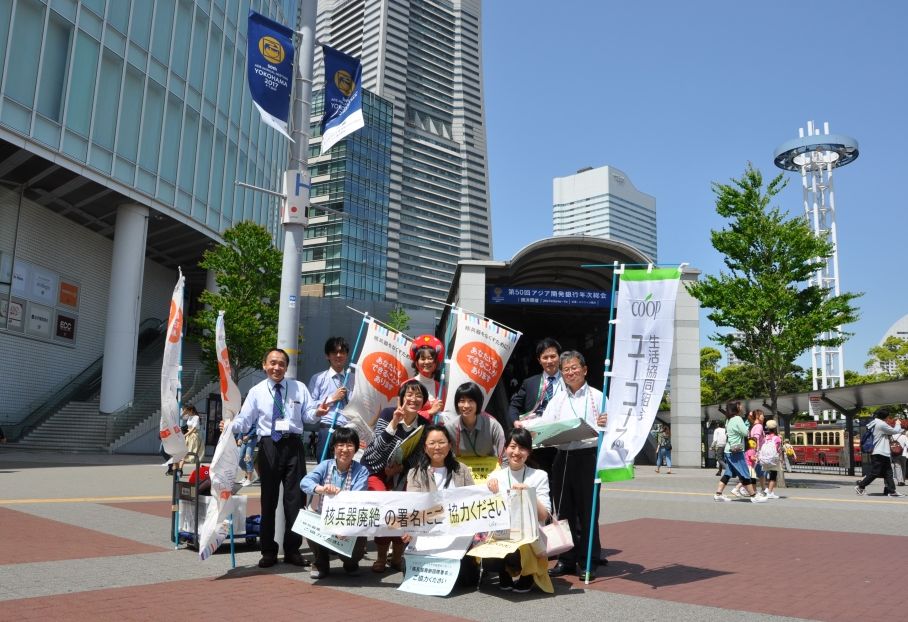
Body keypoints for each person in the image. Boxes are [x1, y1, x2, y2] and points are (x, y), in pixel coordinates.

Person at [224, 348, 328, 568]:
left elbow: (308, 415)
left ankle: (292, 550)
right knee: (268, 501)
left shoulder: (298, 388)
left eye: (281, 364)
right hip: (269, 445)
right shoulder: (256, 391)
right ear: (264, 365)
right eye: (272, 363)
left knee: (295, 501)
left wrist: (319, 412)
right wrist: (230, 426)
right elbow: (245, 419)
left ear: (286, 367)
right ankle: (268, 551)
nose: (277, 367)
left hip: (294, 445)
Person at [530, 350, 607, 580]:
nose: (571, 372)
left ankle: (588, 561)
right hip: (562, 457)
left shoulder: (598, 396)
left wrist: (606, 422)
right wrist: (527, 425)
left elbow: (613, 426)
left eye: (575, 368)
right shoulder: (558, 399)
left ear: (585, 370)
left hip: (588, 456)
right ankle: (566, 558)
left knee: (587, 510)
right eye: (566, 370)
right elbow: (546, 423)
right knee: (563, 510)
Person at [361, 379, 430, 572]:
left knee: (404, 509)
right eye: (409, 394)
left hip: (403, 473)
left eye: (419, 396)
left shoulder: (424, 424)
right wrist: (393, 423)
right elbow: (376, 449)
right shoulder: (387, 414)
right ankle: (381, 557)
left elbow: (419, 456)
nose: (414, 399)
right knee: (385, 504)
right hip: (377, 470)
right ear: (401, 398)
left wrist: (401, 469)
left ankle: (398, 557)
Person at [405, 424, 478, 586]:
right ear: (425, 447)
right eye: (432, 443)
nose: (437, 447)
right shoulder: (415, 473)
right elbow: (413, 506)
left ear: (450, 445)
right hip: (427, 533)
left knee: (465, 580)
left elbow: (473, 501)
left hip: (457, 533)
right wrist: (409, 529)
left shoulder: (462, 470)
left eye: (442, 442)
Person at [485, 428, 554, 594]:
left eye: (522, 448)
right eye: (512, 446)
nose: (516, 452)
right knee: (488, 542)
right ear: (505, 449)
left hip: (531, 536)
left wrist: (528, 493)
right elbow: (487, 513)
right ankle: (504, 572)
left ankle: (527, 575)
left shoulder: (539, 475)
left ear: (529, 452)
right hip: (503, 532)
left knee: (523, 539)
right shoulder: (495, 476)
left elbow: (544, 515)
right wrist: (488, 492)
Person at [299, 427, 369, 579]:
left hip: (350, 519)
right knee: (308, 521)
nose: (345, 449)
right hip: (326, 516)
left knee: (358, 539)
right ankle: (320, 562)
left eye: (350, 445)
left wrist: (343, 526)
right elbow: (305, 482)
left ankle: (350, 562)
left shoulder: (361, 470)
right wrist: (321, 488)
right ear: (334, 447)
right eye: (340, 445)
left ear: (356, 448)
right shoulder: (326, 465)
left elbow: (356, 498)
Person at [507, 337, 563, 475]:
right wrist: (516, 421)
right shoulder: (530, 383)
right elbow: (514, 405)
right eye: (545, 357)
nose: (549, 361)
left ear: (559, 358)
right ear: (539, 360)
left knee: (559, 481)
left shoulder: (568, 381)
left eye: (553, 356)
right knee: (537, 480)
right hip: (535, 440)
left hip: (560, 439)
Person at [308, 337, 355, 462]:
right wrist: (332, 398)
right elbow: (311, 405)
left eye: (342, 352)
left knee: (347, 467)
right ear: (327, 356)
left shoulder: (354, 379)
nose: (338, 355)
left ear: (346, 355)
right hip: (327, 428)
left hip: (348, 428)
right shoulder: (318, 378)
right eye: (334, 352)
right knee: (324, 466)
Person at [714, 400, 767, 503]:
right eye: (740, 405)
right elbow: (745, 432)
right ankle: (754, 495)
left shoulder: (728, 419)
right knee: (745, 473)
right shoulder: (737, 418)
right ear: (736, 407)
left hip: (728, 450)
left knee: (728, 473)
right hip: (736, 451)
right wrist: (749, 422)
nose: (742, 407)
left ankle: (718, 494)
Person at [444, 381, 505, 461]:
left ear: (478, 403)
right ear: (457, 404)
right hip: (461, 470)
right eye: (462, 401)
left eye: (471, 401)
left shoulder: (492, 425)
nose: (466, 406)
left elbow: (504, 455)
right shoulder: (449, 427)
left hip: (488, 469)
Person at [856, 407, 904, 497]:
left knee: (888, 472)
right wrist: (898, 424)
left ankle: (891, 491)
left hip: (880, 451)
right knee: (875, 472)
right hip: (880, 451)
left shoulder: (874, 422)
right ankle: (860, 486)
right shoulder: (881, 424)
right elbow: (895, 431)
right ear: (885, 417)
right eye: (888, 417)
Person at [409, 334, 445, 411]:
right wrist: (429, 412)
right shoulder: (407, 385)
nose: (427, 362)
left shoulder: (440, 387)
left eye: (430, 358)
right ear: (416, 363)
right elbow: (405, 413)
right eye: (423, 359)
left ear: (436, 363)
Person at [175, 405, 203, 475]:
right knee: (184, 453)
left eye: (187, 411)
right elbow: (180, 417)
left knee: (192, 454)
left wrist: (185, 435)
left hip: (194, 436)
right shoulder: (189, 416)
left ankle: (197, 471)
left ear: (191, 410)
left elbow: (193, 429)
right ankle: (180, 470)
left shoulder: (196, 417)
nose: (186, 412)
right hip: (188, 436)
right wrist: (184, 412)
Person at [760, 420, 783, 499]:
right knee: (773, 475)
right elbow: (778, 449)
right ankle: (770, 492)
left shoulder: (765, 437)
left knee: (766, 474)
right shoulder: (777, 438)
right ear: (776, 428)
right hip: (773, 459)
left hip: (765, 459)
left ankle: (767, 489)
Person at [749, 409, 767, 493]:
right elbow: (755, 438)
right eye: (762, 415)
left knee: (759, 472)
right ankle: (740, 488)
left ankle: (763, 489)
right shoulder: (759, 426)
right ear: (757, 416)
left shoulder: (754, 426)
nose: (763, 416)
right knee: (754, 472)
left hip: (755, 452)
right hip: (757, 453)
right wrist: (756, 452)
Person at [892, 422, 908, 486]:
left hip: (894, 454)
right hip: (903, 454)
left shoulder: (892, 436)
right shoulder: (904, 436)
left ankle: (899, 481)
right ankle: (903, 480)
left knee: (897, 467)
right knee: (903, 467)